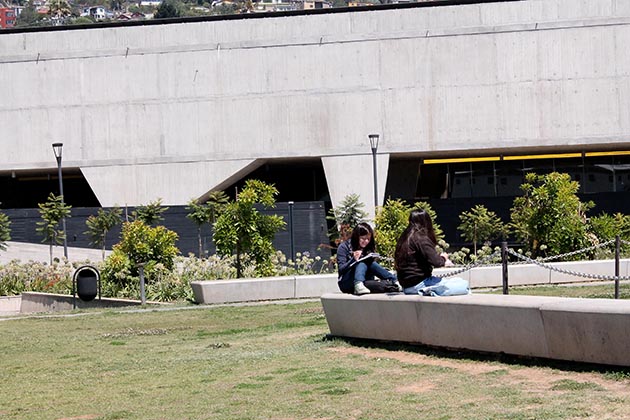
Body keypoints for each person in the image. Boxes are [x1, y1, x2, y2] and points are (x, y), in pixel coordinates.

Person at [394, 209, 469, 296]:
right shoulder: (420, 238)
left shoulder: (404, 238)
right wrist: (444, 258)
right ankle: (429, 290)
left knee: (456, 281)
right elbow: (437, 262)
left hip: (406, 286)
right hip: (420, 284)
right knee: (464, 286)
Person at [337, 222, 401, 295]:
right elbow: (341, 269)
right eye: (363, 239)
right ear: (356, 237)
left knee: (381, 284)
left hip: (365, 280)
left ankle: (394, 280)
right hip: (347, 281)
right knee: (362, 261)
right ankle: (358, 283)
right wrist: (353, 260)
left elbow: (373, 267)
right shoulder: (344, 247)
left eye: (368, 239)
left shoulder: (368, 247)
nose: (366, 241)